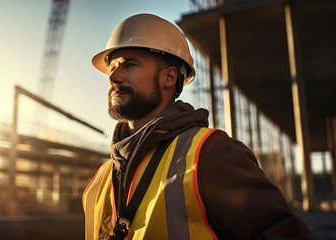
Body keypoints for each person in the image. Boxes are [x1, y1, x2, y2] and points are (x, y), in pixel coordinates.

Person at [82, 13, 315, 240]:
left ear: (169, 77)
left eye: (129, 65)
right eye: (112, 67)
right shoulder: (100, 178)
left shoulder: (211, 154)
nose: (114, 77)